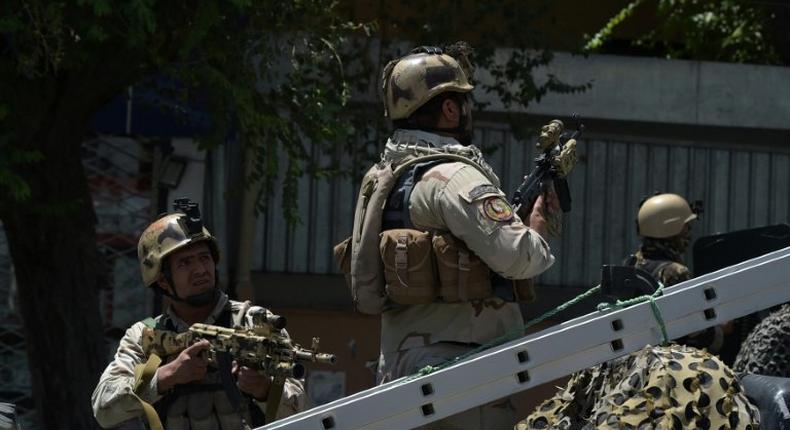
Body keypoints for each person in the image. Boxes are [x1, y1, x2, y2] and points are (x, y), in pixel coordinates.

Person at [338, 43, 559, 429]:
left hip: (399, 369)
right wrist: (537, 223)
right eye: (464, 101)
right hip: (459, 377)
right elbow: (520, 257)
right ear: (450, 109)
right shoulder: (456, 176)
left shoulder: (383, 179)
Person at [92, 199, 306, 430]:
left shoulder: (256, 323)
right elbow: (103, 408)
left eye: (205, 258)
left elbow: (302, 411)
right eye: (185, 263)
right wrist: (166, 376)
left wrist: (264, 390)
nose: (201, 270)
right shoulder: (145, 336)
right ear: (163, 281)